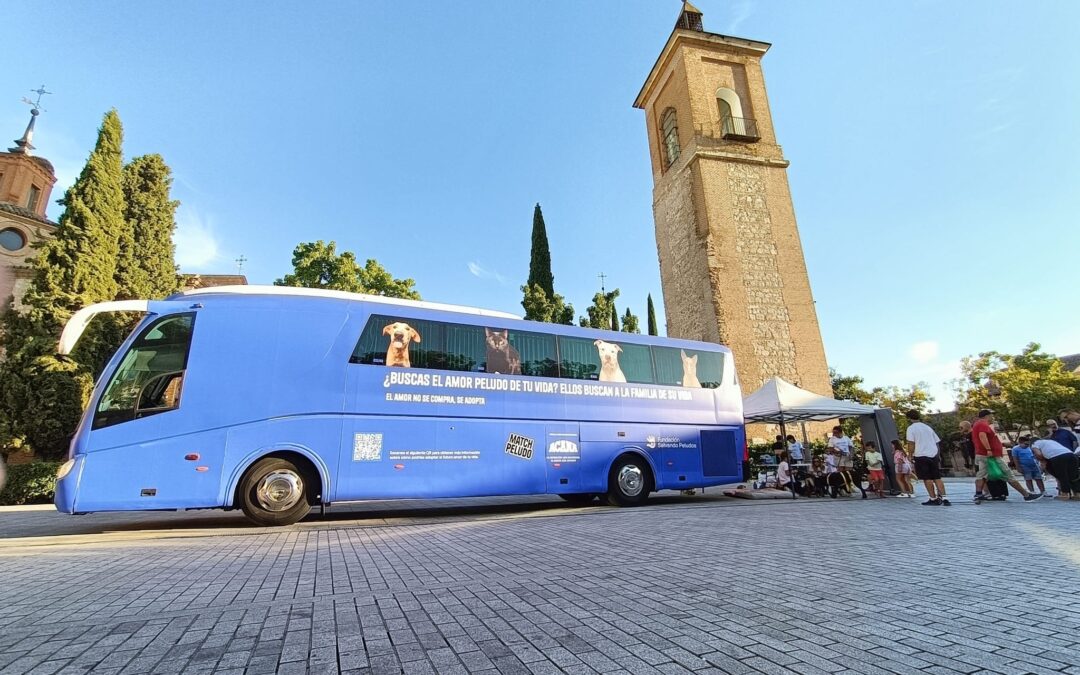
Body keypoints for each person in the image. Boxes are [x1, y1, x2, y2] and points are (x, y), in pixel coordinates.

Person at [971, 409, 1039, 503]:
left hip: (983, 454)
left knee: (982, 474)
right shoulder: (983, 424)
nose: (993, 417)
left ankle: (978, 494)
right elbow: (982, 436)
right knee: (1008, 474)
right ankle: (1026, 495)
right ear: (987, 416)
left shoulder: (977, 424)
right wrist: (989, 450)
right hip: (991, 456)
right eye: (991, 415)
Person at [905, 410, 950, 506]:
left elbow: (911, 443)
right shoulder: (927, 427)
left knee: (927, 478)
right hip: (933, 454)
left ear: (909, 418)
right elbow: (936, 442)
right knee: (937, 477)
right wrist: (938, 454)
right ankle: (945, 497)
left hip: (921, 455)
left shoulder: (911, 428)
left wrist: (910, 455)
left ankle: (933, 498)